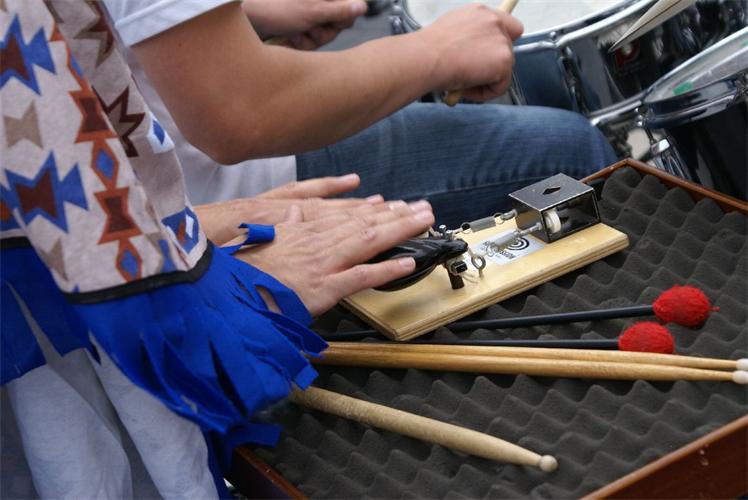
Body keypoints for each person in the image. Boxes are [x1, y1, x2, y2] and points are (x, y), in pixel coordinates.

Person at [0, 1, 434, 497]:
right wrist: (438, 52)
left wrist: (189, 227)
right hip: (85, 339)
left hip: (168, 224)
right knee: (515, 141)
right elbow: (241, 112)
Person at [113, 0, 617, 229]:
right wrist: (437, 51)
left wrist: (243, 13)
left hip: (146, 190)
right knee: (569, 150)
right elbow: (243, 114)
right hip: (213, 204)